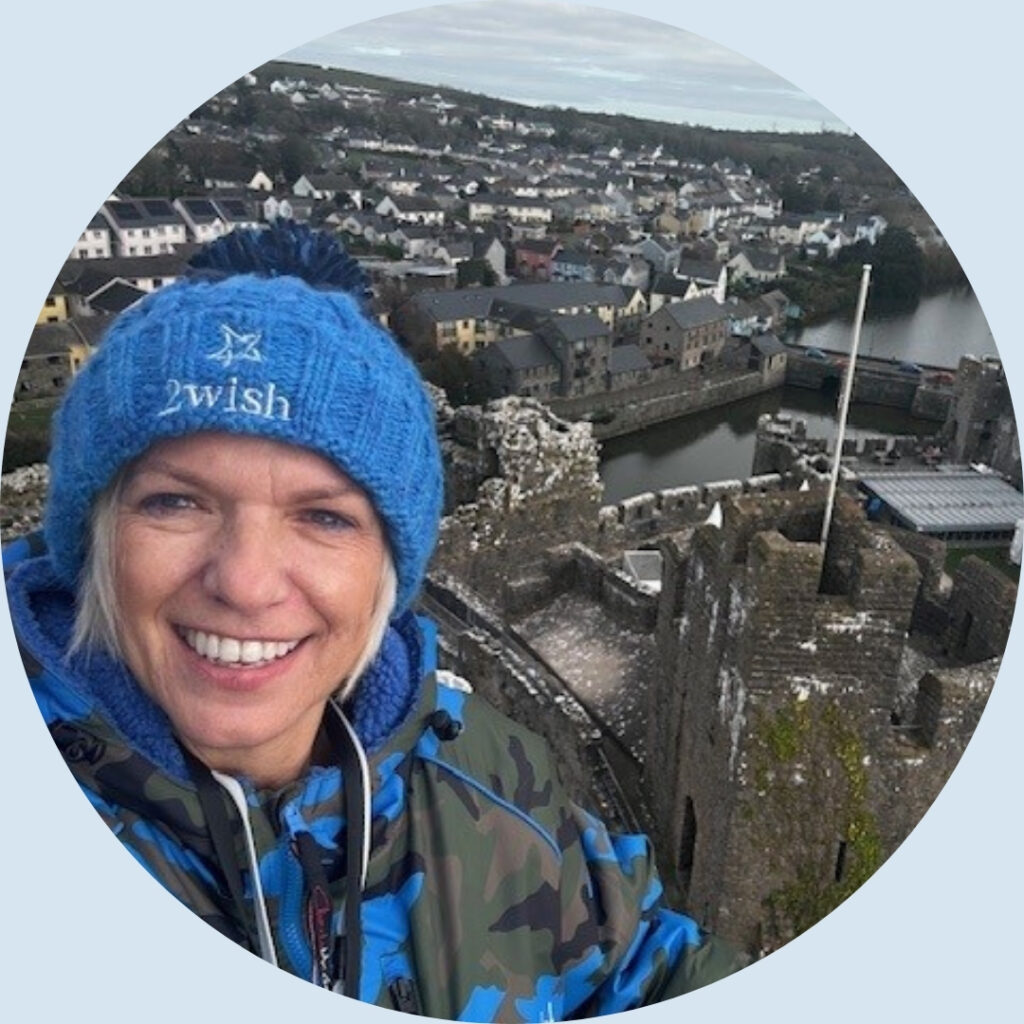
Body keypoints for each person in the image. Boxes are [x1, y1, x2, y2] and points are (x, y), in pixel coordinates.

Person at [4, 223, 742, 1019]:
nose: (247, 583)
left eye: (324, 518)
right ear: (93, 539)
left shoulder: (494, 775)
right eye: (176, 501)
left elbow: (641, 966)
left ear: (388, 572)